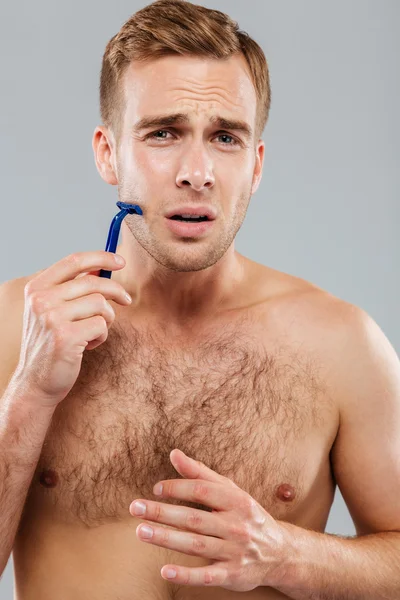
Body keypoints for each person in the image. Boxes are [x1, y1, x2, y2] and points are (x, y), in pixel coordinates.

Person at [1, 0, 399, 598]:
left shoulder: (343, 344)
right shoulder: (17, 326)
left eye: (225, 137)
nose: (197, 171)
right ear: (108, 152)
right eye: (163, 133)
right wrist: (30, 394)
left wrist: (287, 554)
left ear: (256, 165)